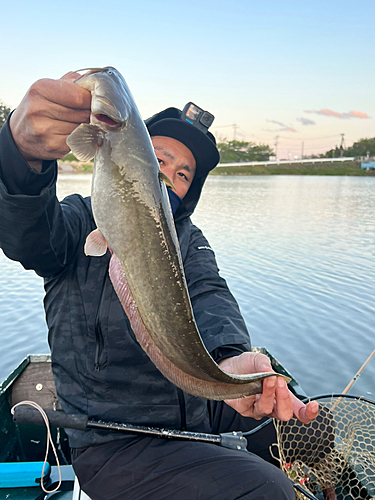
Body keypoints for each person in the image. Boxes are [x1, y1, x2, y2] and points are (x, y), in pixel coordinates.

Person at [0, 71, 319, 500]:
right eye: (161, 157)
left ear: (189, 192)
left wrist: (228, 359)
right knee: (267, 490)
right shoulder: (76, 222)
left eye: (185, 173)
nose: (170, 173)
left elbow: (211, 297)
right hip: (115, 440)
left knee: (317, 431)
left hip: (201, 410)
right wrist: (22, 159)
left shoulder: (189, 242)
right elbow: (29, 236)